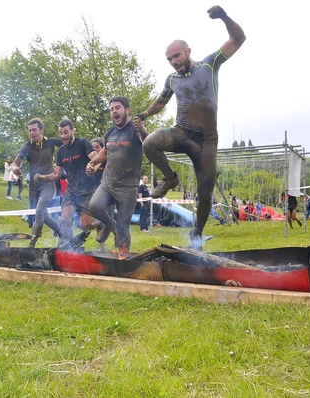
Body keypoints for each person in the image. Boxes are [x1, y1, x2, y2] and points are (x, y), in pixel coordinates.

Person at [136, 6, 246, 249]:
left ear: (187, 52)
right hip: (182, 132)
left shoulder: (209, 65)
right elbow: (161, 102)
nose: (174, 62)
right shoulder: (171, 79)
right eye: (170, 59)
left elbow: (238, 39)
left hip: (206, 141)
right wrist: (144, 113)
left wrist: (224, 17)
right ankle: (169, 179)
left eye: (177, 56)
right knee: (150, 143)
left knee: (205, 193)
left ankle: (197, 232)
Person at [86, 97, 146, 253]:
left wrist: (142, 129)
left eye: (117, 108)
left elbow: (147, 142)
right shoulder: (110, 133)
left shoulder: (135, 130)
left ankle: (122, 258)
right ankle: (111, 226)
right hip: (108, 183)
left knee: (123, 227)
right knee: (94, 206)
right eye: (111, 109)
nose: (114, 111)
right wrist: (92, 163)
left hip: (128, 187)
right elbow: (105, 152)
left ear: (127, 110)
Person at [35, 119, 99, 248]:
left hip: (87, 191)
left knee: (84, 225)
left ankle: (100, 223)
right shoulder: (61, 152)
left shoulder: (83, 143)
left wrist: (93, 167)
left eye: (66, 132)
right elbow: (57, 174)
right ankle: (68, 247)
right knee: (64, 219)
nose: (63, 136)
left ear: (72, 131)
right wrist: (42, 177)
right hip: (71, 191)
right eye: (61, 133)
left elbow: (97, 158)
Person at [11, 118, 63, 248]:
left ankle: (32, 243)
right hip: (33, 187)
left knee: (39, 211)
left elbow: (69, 144)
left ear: (41, 130)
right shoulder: (27, 146)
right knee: (44, 217)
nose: (31, 133)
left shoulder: (51, 142)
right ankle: (63, 233)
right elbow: (15, 163)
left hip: (48, 183)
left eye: (34, 130)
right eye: (29, 131)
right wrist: (15, 169)